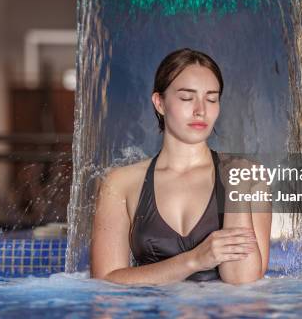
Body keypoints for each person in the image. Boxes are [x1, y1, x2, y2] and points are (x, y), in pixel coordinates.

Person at [90, 48, 272, 285]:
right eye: (187, 98)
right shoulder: (121, 183)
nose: (201, 110)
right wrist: (194, 260)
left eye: (211, 98)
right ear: (160, 103)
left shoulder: (248, 174)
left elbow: (243, 280)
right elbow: (105, 279)